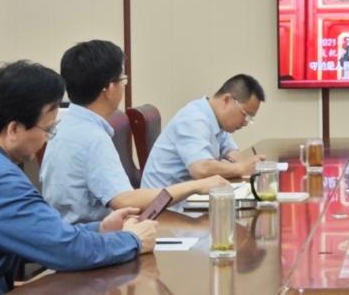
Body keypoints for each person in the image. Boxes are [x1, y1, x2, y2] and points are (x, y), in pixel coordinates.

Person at [0, 61, 157, 295]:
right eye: (48, 129)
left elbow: (41, 235)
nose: (47, 138)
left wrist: (100, 229)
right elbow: (65, 250)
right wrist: (133, 240)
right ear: (13, 129)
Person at [42, 40, 229, 224]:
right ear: (108, 88)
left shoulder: (64, 125)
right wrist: (196, 186)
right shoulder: (92, 137)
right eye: (123, 80)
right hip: (90, 237)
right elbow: (124, 201)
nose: (124, 86)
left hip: (68, 231)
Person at [141, 74, 266, 189]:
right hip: (164, 202)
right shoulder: (193, 119)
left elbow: (232, 153)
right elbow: (200, 169)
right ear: (227, 100)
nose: (245, 122)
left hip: (188, 197)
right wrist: (239, 168)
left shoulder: (218, 120)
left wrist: (239, 165)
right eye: (245, 115)